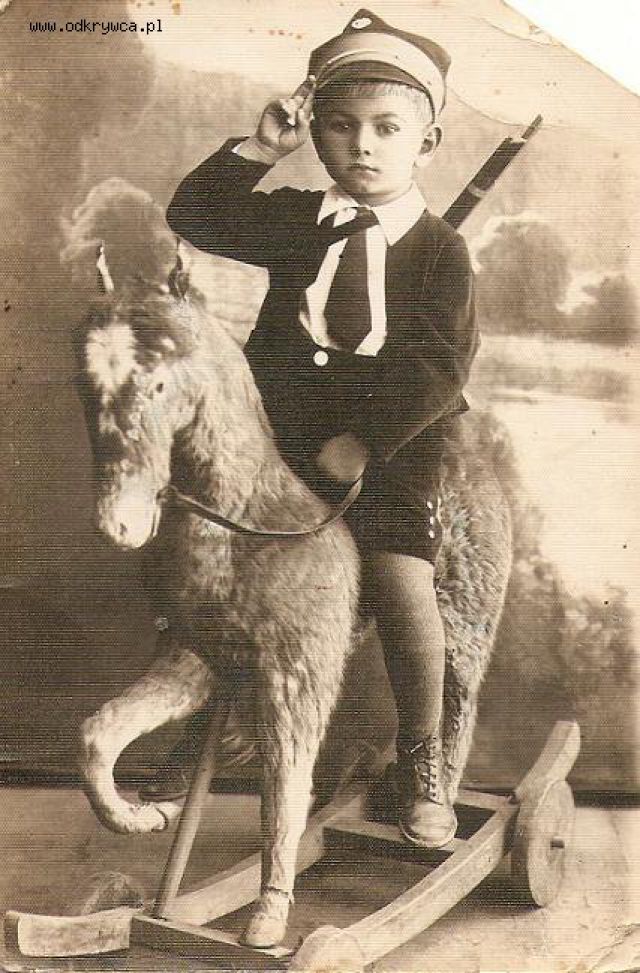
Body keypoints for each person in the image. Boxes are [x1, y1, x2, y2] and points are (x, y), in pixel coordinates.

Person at [150, 7, 478, 850]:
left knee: (400, 579)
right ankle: (205, 722)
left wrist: (363, 442)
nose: (362, 146)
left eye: (386, 129)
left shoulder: (440, 249)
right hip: (286, 425)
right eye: (340, 127)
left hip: (394, 437)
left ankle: (423, 755)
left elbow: (440, 365)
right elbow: (196, 215)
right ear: (317, 134)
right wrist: (261, 149)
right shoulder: (298, 217)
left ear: (427, 144)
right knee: (218, 560)